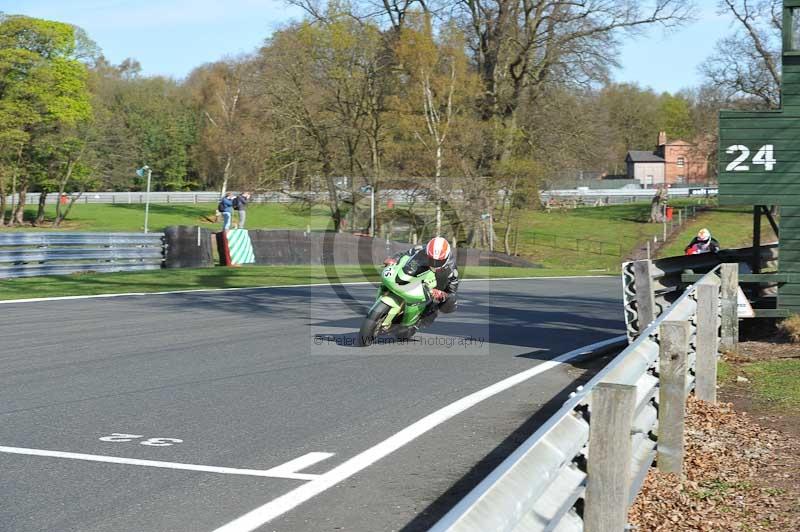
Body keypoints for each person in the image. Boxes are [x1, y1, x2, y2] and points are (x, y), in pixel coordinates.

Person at [383, 236, 459, 328]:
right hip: (417, 273)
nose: (434, 264)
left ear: (446, 258)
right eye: (431, 259)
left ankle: (417, 323)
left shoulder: (452, 269)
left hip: (434, 286)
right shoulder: (421, 249)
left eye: (438, 261)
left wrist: (443, 295)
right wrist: (394, 259)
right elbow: (404, 254)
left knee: (436, 305)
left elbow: (452, 291)